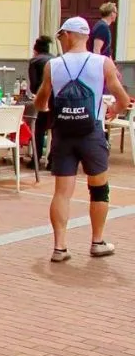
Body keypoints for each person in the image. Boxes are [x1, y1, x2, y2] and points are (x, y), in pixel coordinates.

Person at [33, 17, 131, 262]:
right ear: (86, 36)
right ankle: (97, 242)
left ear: (68, 35)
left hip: (63, 132)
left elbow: (41, 101)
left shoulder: (53, 65)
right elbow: (123, 98)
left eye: (61, 36)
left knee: (62, 192)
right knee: (99, 188)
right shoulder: (102, 63)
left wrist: (45, 107)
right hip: (92, 132)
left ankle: (60, 247)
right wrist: (114, 111)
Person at [27, 35, 55, 167]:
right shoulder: (56, 60)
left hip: (43, 97)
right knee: (55, 130)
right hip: (56, 99)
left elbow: (33, 86)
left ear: (35, 50)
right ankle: (52, 161)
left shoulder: (34, 61)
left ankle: (35, 160)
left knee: (39, 129)